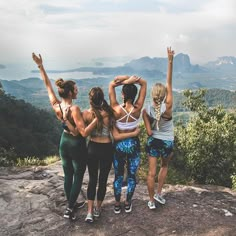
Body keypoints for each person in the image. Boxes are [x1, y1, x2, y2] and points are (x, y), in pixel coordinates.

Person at [32, 53, 97, 220]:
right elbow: (81, 133)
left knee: (68, 174)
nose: (77, 91)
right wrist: (98, 120)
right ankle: (69, 208)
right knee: (78, 174)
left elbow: (48, 86)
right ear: (69, 93)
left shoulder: (57, 105)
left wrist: (41, 66)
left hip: (64, 142)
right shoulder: (74, 109)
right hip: (75, 143)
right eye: (75, 89)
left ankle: (72, 203)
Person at [78, 87, 140, 223]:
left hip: (92, 148)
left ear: (90, 100)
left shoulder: (86, 114)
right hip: (106, 148)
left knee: (92, 180)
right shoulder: (109, 114)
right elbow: (115, 135)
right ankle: (98, 209)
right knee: (102, 181)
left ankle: (89, 212)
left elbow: (81, 132)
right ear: (102, 99)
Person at [142, 47, 175, 210]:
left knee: (151, 173)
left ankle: (150, 201)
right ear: (164, 95)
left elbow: (148, 132)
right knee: (164, 166)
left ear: (152, 95)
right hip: (167, 142)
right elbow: (169, 83)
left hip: (153, 141)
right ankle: (159, 193)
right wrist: (170, 61)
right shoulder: (167, 108)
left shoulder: (146, 110)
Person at [109, 75, 147, 214]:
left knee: (118, 176)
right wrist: (132, 80)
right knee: (131, 175)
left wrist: (124, 81)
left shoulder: (116, 109)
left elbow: (111, 85)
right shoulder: (138, 108)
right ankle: (128, 203)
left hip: (119, 144)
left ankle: (117, 204)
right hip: (133, 144)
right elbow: (144, 83)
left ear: (123, 94)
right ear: (135, 95)